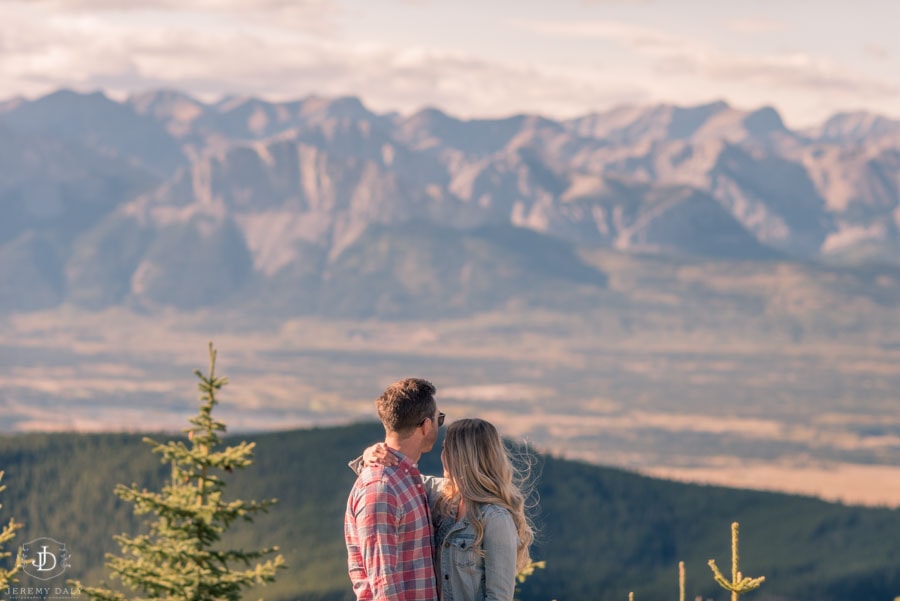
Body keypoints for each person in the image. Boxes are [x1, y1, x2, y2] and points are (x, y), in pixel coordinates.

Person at [357, 418, 534, 601]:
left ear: (463, 456)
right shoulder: (440, 496)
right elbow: (394, 479)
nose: (442, 456)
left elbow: (499, 597)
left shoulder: (495, 518)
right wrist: (368, 456)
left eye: (446, 449)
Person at [344, 378, 444, 601]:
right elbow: (383, 584)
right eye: (440, 419)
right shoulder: (383, 489)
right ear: (426, 425)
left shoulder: (406, 480)